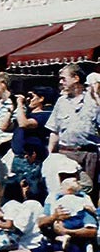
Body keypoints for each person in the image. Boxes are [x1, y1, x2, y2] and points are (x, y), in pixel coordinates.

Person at [46, 63, 100, 192]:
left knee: (87, 192)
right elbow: (54, 130)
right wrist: (50, 155)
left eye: (63, 78)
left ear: (76, 78)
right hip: (66, 153)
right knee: (65, 192)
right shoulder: (61, 101)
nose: (61, 82)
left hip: (88, 154)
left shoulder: (93, 100)